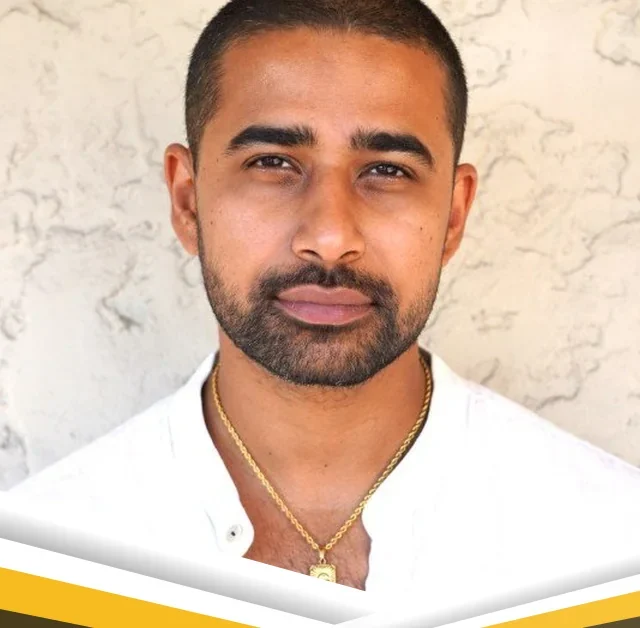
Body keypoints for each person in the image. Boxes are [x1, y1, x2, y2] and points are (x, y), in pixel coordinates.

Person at [11, 0, 640, 607]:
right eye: (273, 162)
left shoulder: (611, 552)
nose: (331, 236)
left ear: (453, 214)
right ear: (187, 201)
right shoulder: (43, 564)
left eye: (387, 170)